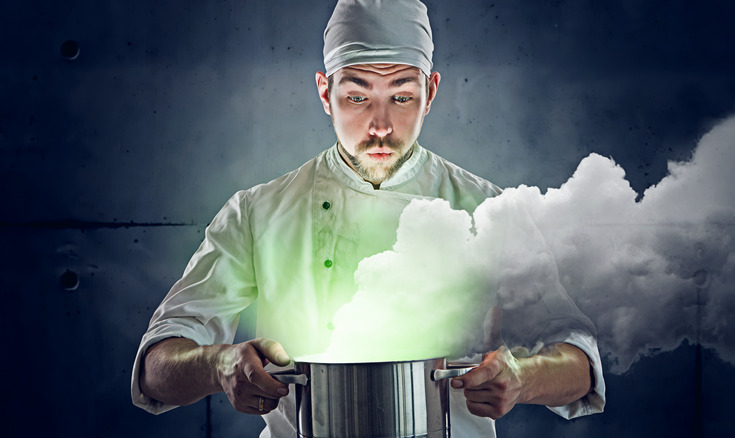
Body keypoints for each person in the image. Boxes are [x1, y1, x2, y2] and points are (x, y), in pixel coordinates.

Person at [131, 1, 606, 436]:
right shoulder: (257, 212)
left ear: (431, 90)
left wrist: (523, 378)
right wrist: (219, 365)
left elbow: (579, 361)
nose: (380, 125)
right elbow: (156, 368)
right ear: (325, 91)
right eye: (357, 98)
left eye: (402, 97)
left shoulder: (489, 209)